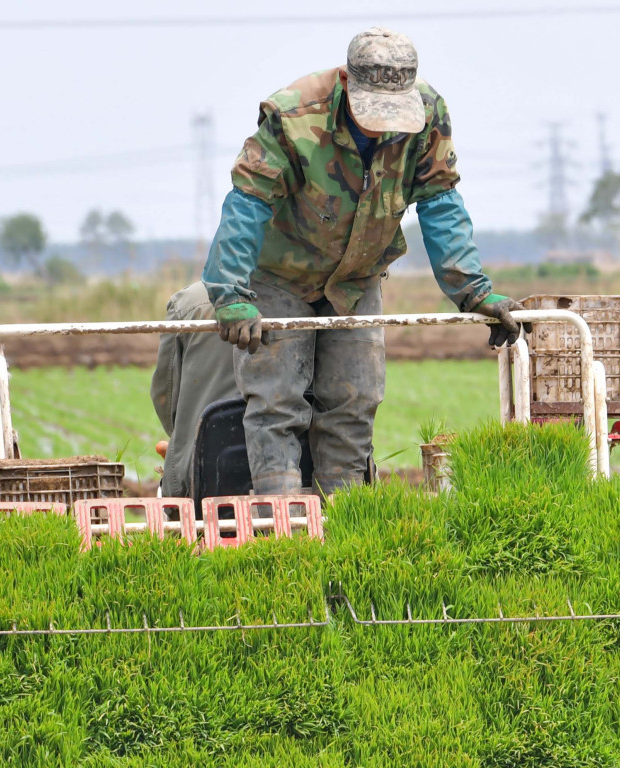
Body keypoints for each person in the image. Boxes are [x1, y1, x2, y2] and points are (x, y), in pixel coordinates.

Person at [202, 28, 522, 495]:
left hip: (356, 277)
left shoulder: (427, 116)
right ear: (347, 83)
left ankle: (347, 516)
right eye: (373, 111)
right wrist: (229, 293)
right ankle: (282, 517)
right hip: (280, 276)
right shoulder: (293, 117)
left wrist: (473, 291)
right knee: (277, 400)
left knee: (355, 398)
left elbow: (440, 204)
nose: (382, 126)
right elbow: (247, 202)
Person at [148, 282, 237, 498]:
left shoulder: (189, 303)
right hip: (297, 472)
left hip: (201, 478)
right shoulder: (310, 298)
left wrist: (186, 440)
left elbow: (165, 395)